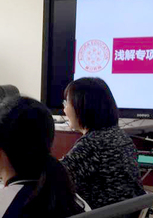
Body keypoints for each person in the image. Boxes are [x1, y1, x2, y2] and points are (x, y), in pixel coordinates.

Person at [60, 77, 145, 209]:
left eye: (67, 103)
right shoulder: (120, 136)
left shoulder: (92, 144)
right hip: (125, 217)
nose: (64, 110)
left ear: (83, 107)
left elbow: (54, 178)